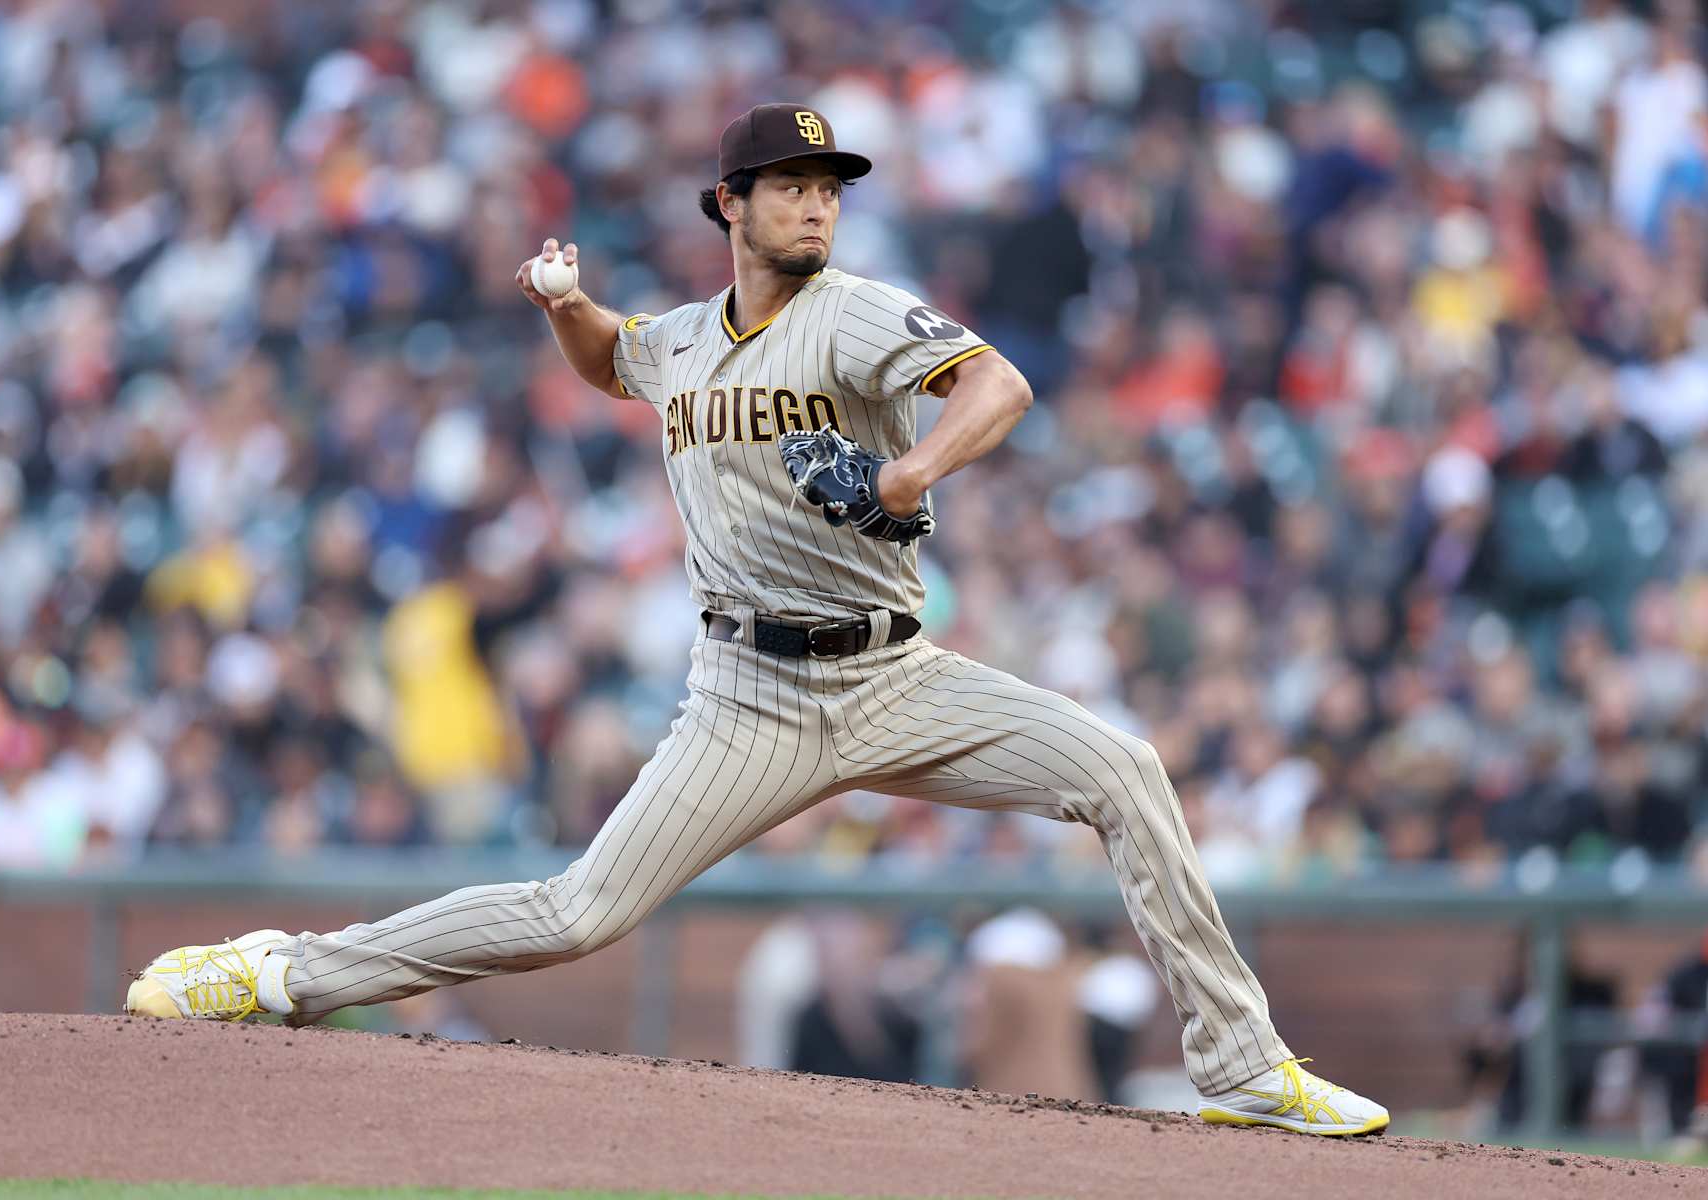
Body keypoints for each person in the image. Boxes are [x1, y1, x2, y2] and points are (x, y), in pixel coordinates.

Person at [126, 103, 1387, 1136]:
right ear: (728, 204)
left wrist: (902, 478)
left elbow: (1001, 385)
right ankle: (285, 972)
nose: (817, 202)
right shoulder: (680, 341)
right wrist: (567, 309)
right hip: (751, 696)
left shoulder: (859, 311)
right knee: (578, 916)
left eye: (829, 184)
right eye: (788, 183)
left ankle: (1239, 1066)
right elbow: (619, 354)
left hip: (898, 675)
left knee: (1124, 768)